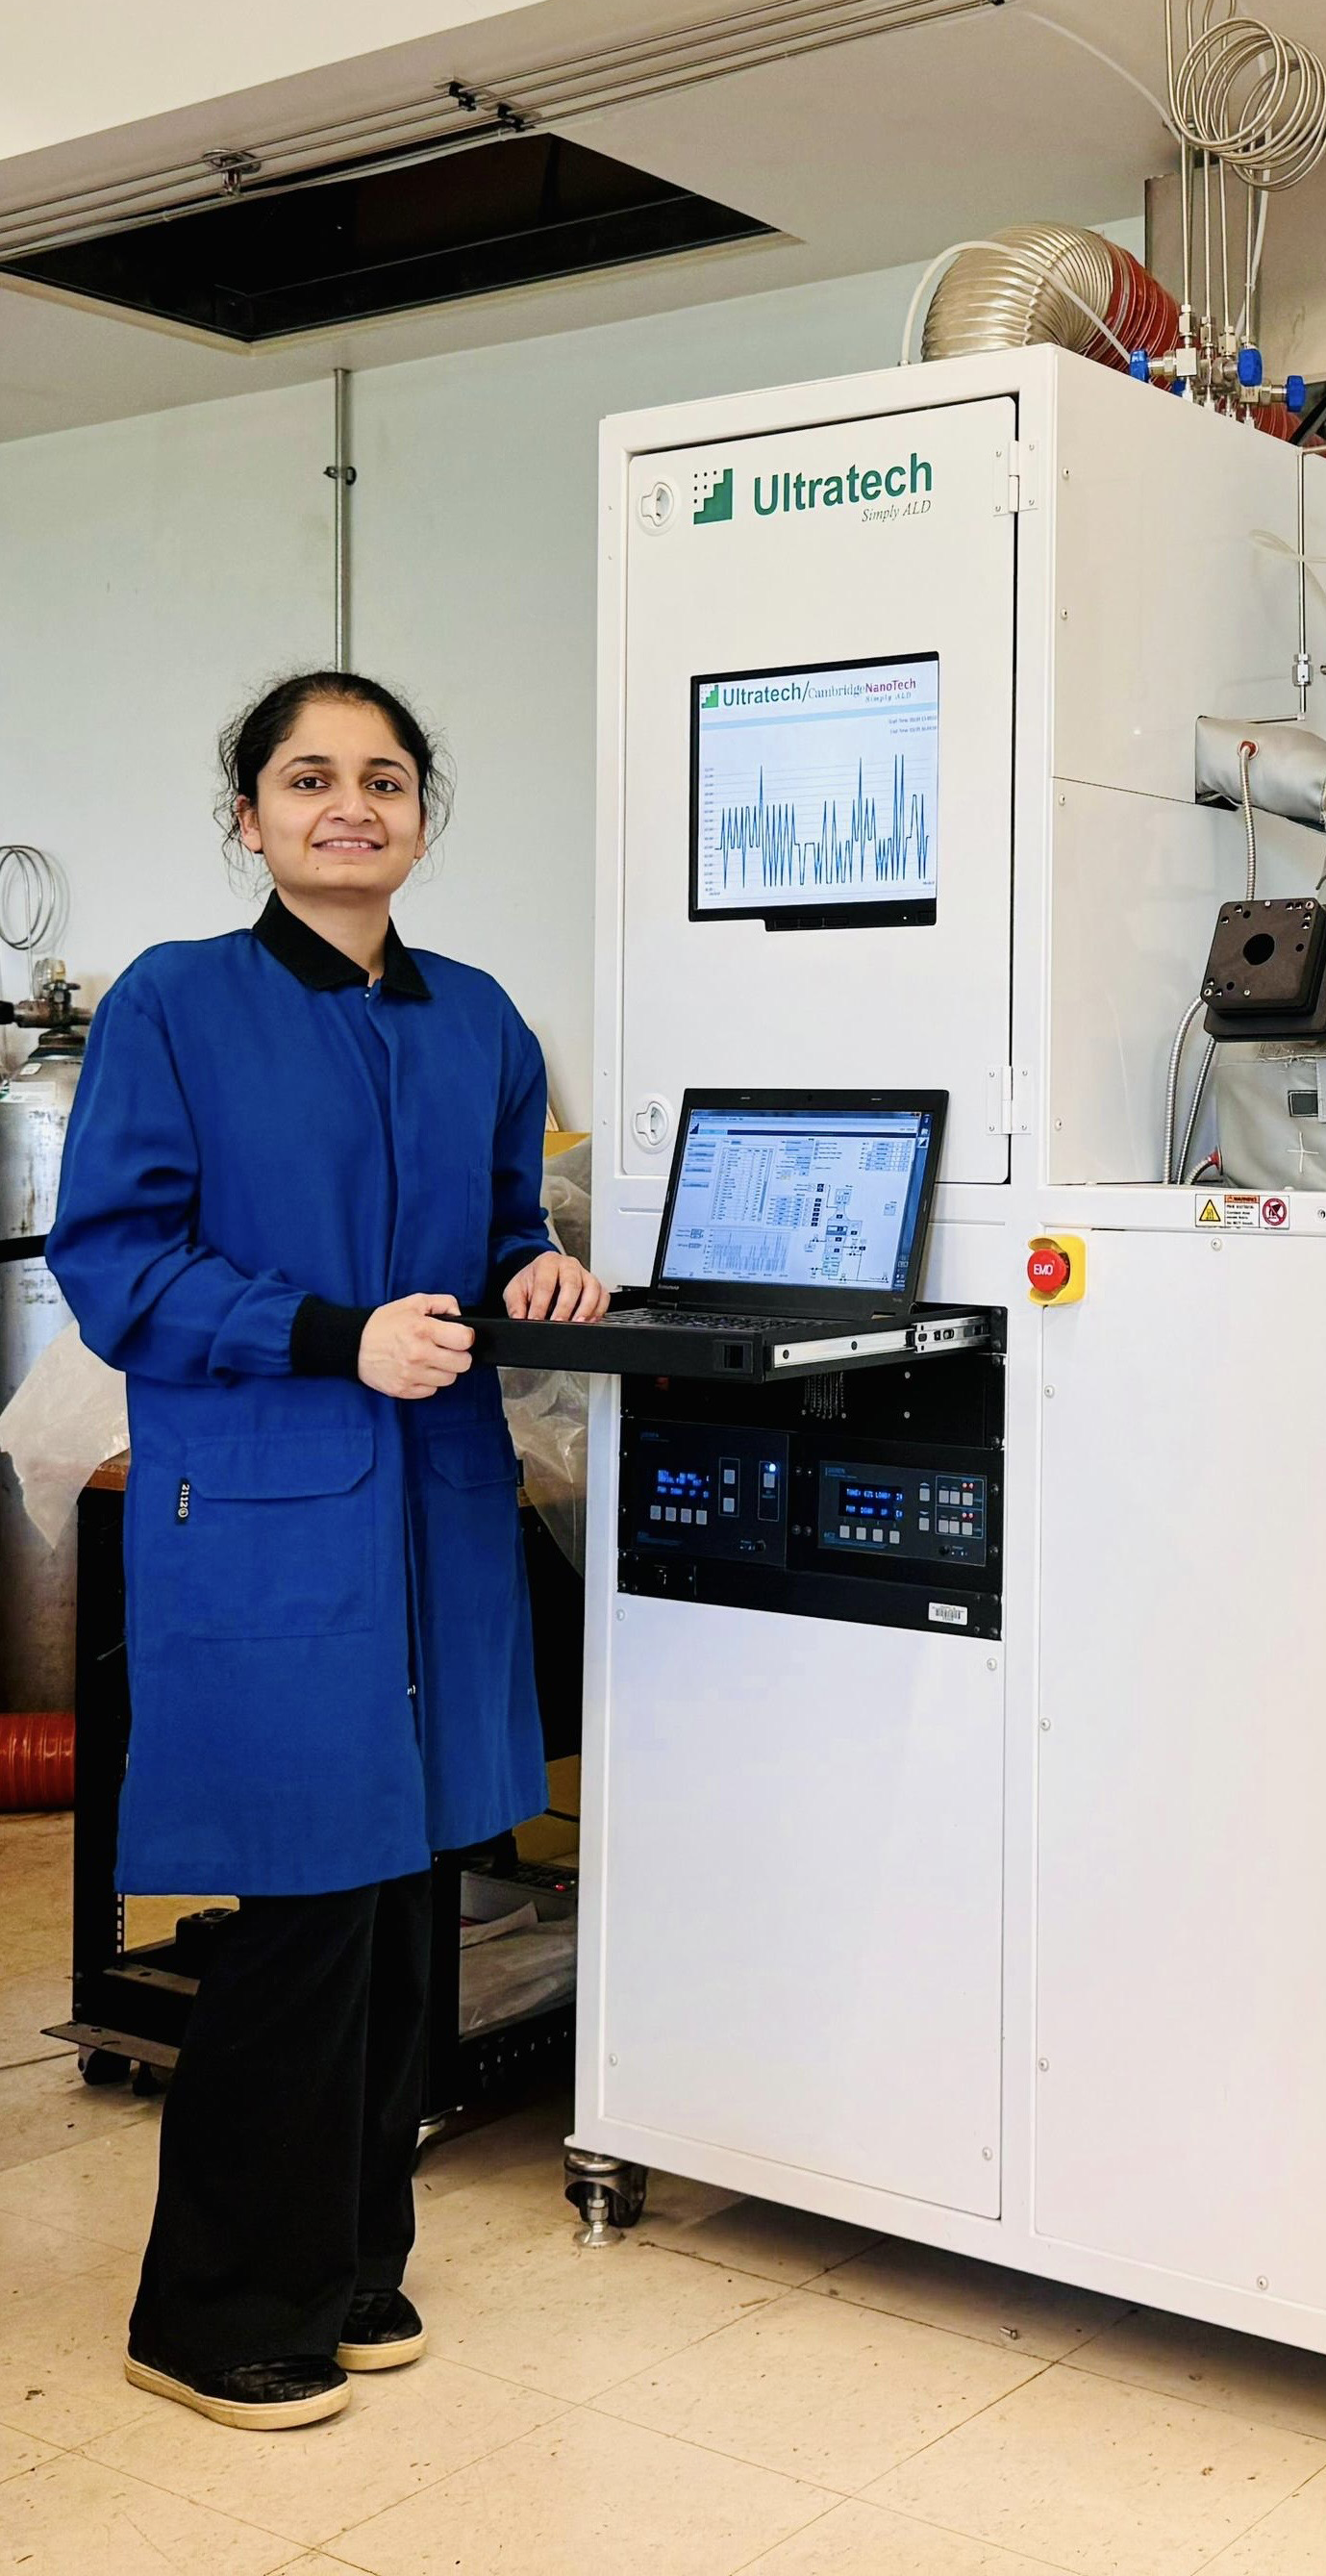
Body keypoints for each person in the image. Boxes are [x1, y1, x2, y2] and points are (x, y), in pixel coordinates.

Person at [46, 671, 608, 2432]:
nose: (347, 804)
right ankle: (208, 2307)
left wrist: (540, 1275)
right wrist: (327, 1335)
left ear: (421, 813)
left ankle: (354, 2261)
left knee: (409, 1902)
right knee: (300, 1908)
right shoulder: (176, 1003)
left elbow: (508, 1220)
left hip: (438, 1508)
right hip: (274, 1511)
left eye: (381, 778)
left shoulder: (482, 1022)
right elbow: (115, 1262)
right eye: (309, 778)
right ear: (252, 818)